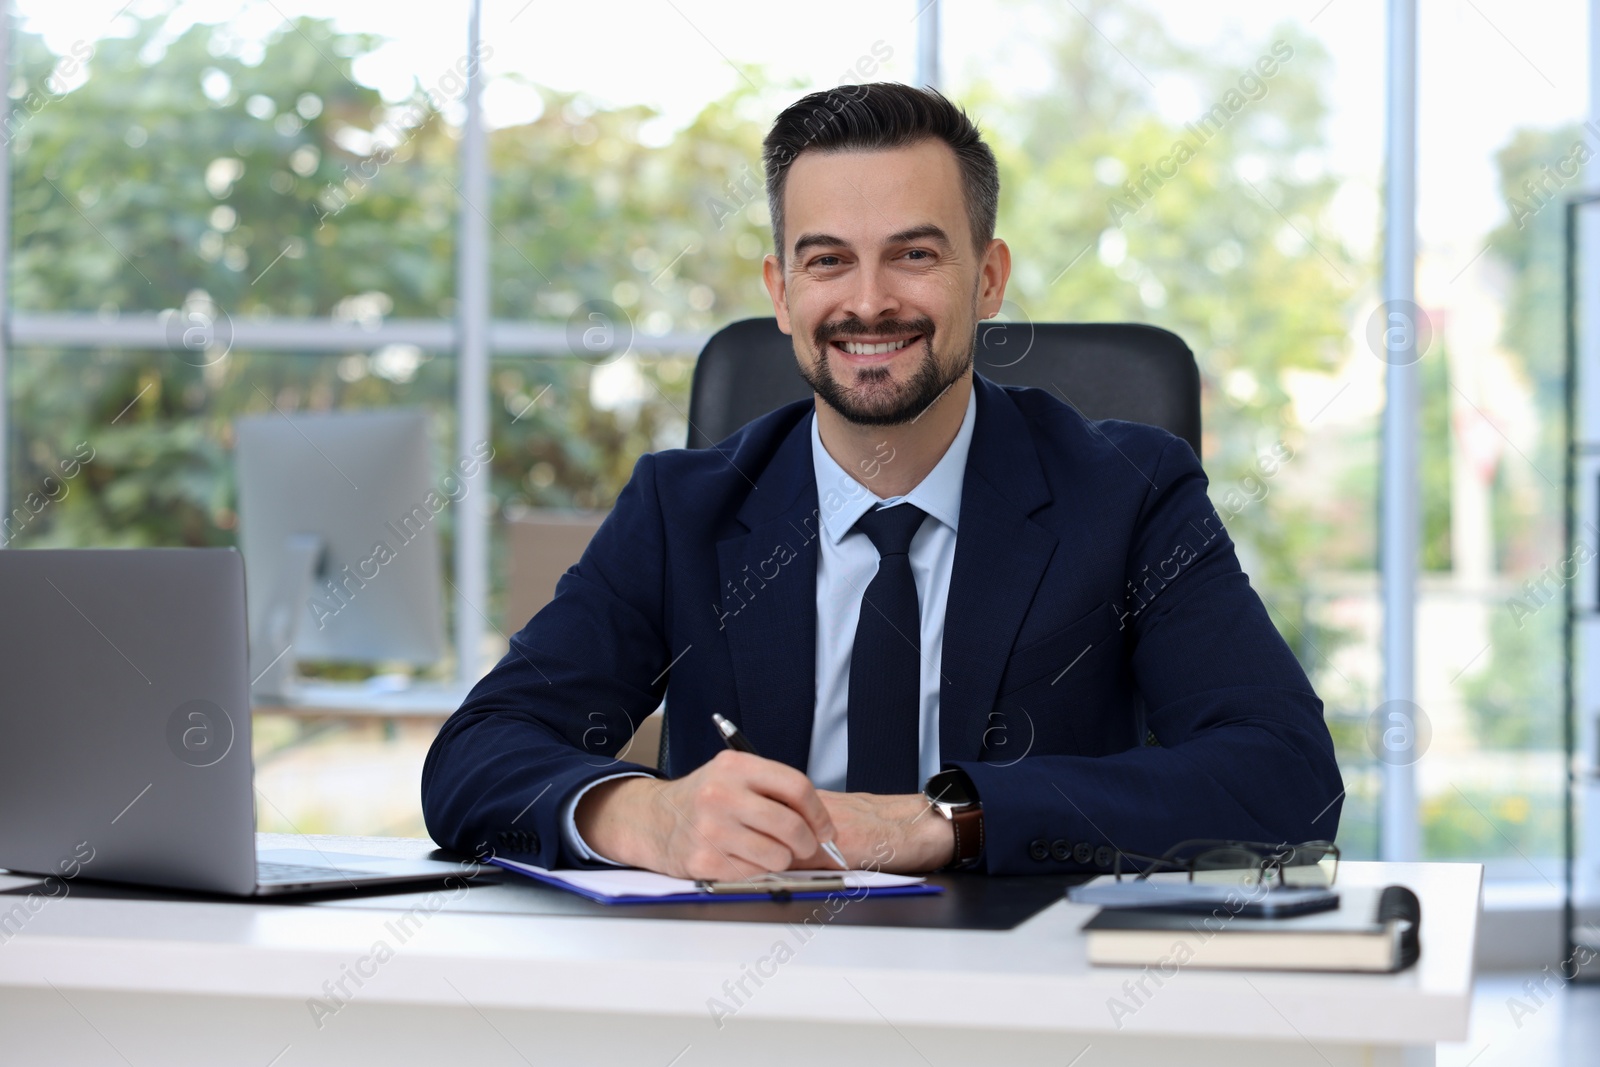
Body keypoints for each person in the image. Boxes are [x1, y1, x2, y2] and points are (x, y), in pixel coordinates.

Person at [422, 82, 1343, 879]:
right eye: (828, 260)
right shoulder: (682, 510)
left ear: (988, 278)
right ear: (781, 292)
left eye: (914, 253)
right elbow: (475, 755)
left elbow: (1284, 774)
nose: (868, 301)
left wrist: (940, 820)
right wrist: (643, 816)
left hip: (1025, 999)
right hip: (734, 996)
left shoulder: (1129, 493)